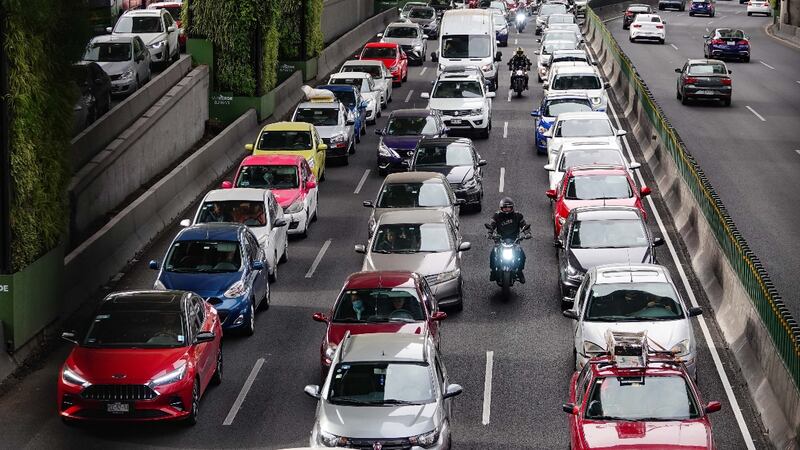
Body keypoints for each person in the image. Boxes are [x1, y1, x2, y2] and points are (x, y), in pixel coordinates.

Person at [486, 197, 530, 283]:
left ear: (512, 208)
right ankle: (493, 272)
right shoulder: (497, 216)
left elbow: (524, 226)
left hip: (514, 240)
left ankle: (520, 272)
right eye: (505, 207)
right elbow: (492, 225)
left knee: (522, 256)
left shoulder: (518, 216)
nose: (507, 209)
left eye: (509, 207)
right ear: (501, 208)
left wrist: (527, 233)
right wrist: (489, 233)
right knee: (492, 254)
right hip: (500, 240)